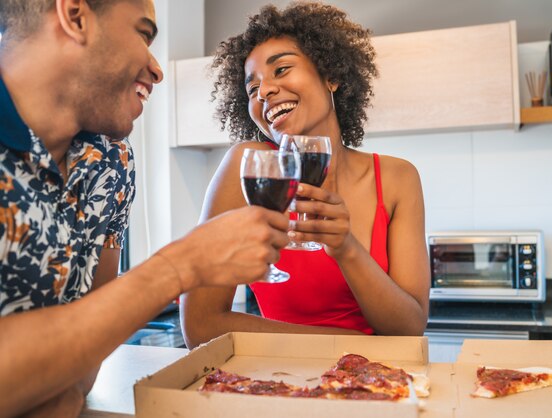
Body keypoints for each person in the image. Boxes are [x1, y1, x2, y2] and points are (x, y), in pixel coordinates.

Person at [0, 1, 290, 416]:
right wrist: (180, 266)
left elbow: (84, 367)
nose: (157, 70)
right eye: (143, 33)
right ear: (75, 16)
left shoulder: (110, 160)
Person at [181, 2, 430, 348]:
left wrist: (346, 249)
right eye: (252, 89)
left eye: (281, 70)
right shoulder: (249, 169)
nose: (264, 91)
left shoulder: (397, 178)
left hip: (381, 388)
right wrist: (352, 347)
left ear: (331, 75)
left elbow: (410, 328)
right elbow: (200, 325)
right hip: (281, 384)